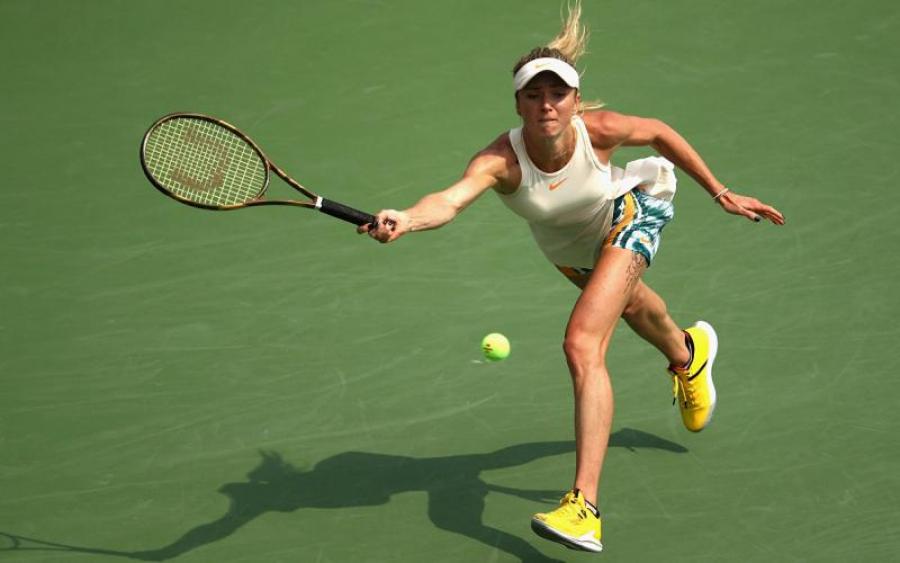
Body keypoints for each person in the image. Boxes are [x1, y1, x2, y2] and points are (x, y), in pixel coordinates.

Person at [359, 1, 785, 553]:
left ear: (575, 101)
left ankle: (584, 507)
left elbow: (658, 133)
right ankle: (688, 353)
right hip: (573, 252)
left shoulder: (598, 131)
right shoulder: (500, 160)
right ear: (517, 103)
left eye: (557, 94)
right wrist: (408, 218)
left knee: (583, 343)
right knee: (633, 307)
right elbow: (450, 199)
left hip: (630, 214)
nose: (546, 104)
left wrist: (720, 192)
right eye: (533, 94)